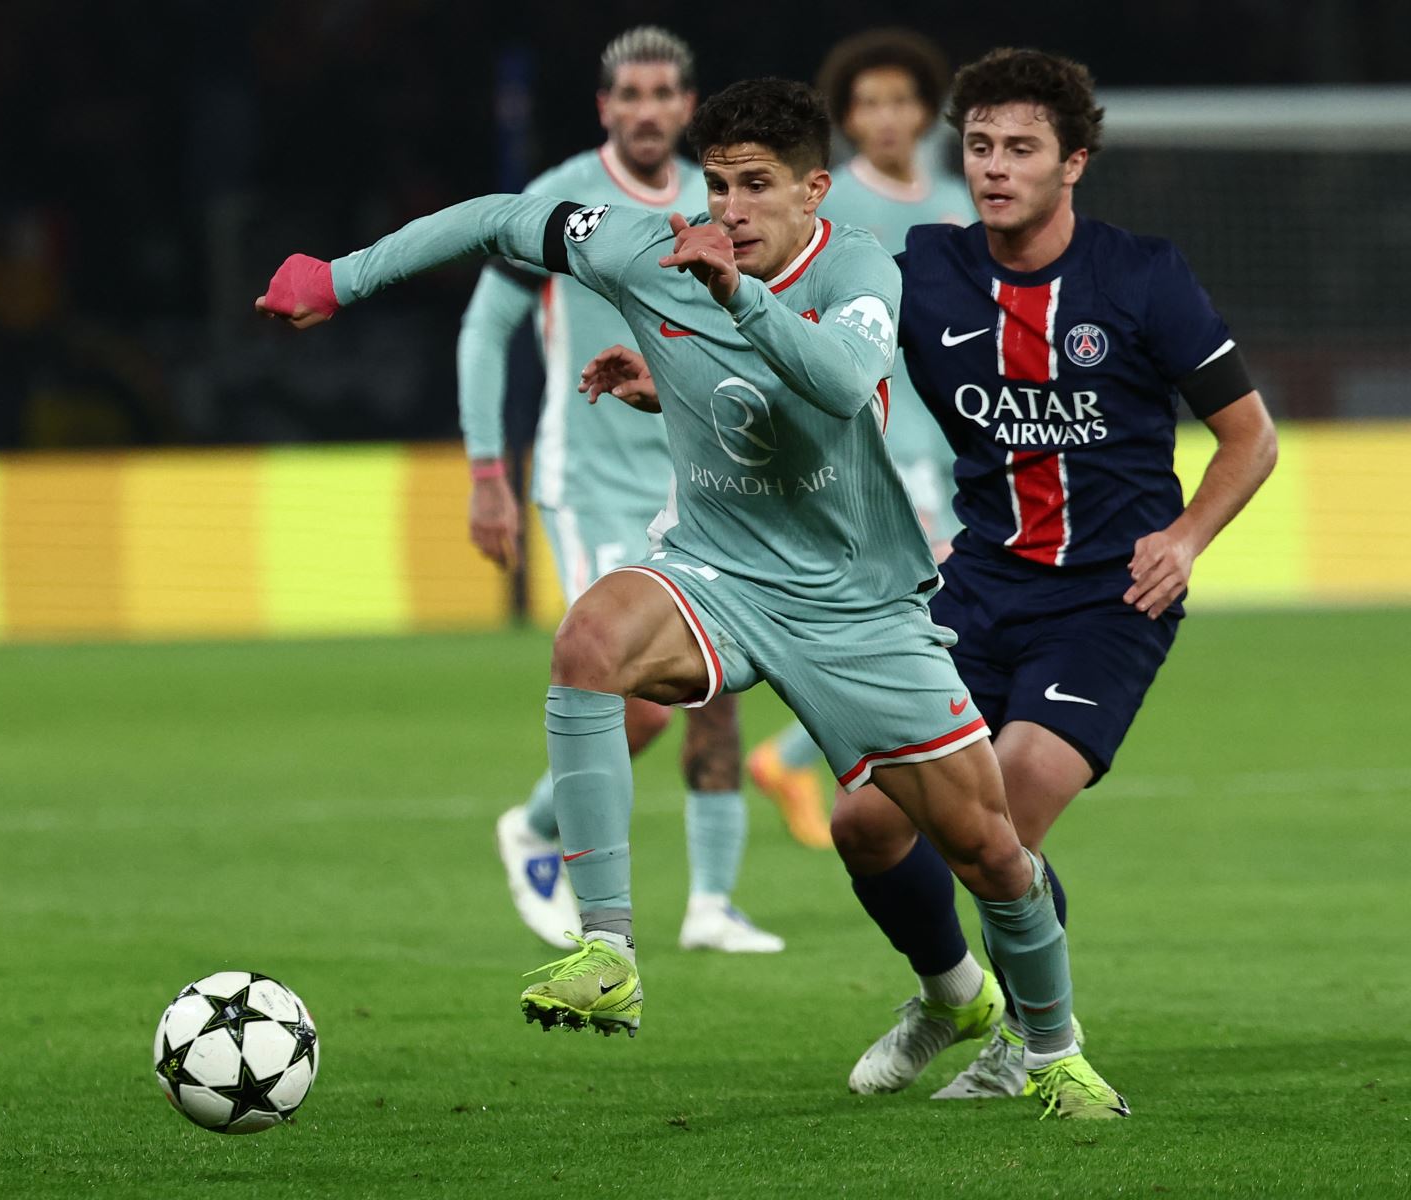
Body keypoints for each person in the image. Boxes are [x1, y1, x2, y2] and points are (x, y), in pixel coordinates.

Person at [257, 76, 1127, 1118]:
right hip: (715, 572)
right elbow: (495, 219)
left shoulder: (855, 264)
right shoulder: (644, 246)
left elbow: (842, 382)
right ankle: (607, 948)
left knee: (988, 850)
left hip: (855, 606)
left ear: (814, 190)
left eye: (757, 186)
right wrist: (338, 278)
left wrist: (731, 299)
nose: (732, 210)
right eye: (717, 186)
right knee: (589, 642)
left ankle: (1050, 1052)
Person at [836, 47, 1279, 1102]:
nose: (994, 167)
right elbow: (814, 357)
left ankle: (1030, 1042)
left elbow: (1249, 439)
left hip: (1106, 602)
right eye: (980, 146)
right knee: (862, 826)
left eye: (1021, 148)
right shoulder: (923, 269)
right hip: (977, 587)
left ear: (1073, 161)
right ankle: (951, 996)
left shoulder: (1142, 276)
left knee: (1004, 813)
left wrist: (1185, 540)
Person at [457, 26, 783, 956]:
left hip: (701, 481)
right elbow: (488, 331)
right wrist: (490, 473)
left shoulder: (712, 202)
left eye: (662, 94)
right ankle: (535, 827)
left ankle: (712, 904)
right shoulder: (560, 199)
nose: (645, 110)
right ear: (605, 108)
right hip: (592, 487)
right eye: (628, 95)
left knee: (720, 680)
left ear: (687, 106)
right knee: (638, 692)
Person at [745, 29, 973, 850]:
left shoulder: (955, 197)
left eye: (901, 100)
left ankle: (819, 756)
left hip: (952, 428)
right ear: (847, 116)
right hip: (877, 432)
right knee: (934, 595)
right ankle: (810, 752)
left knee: (929, 602)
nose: (886, 116)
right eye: (868, 102)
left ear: (924, 112)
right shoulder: (830, 198)